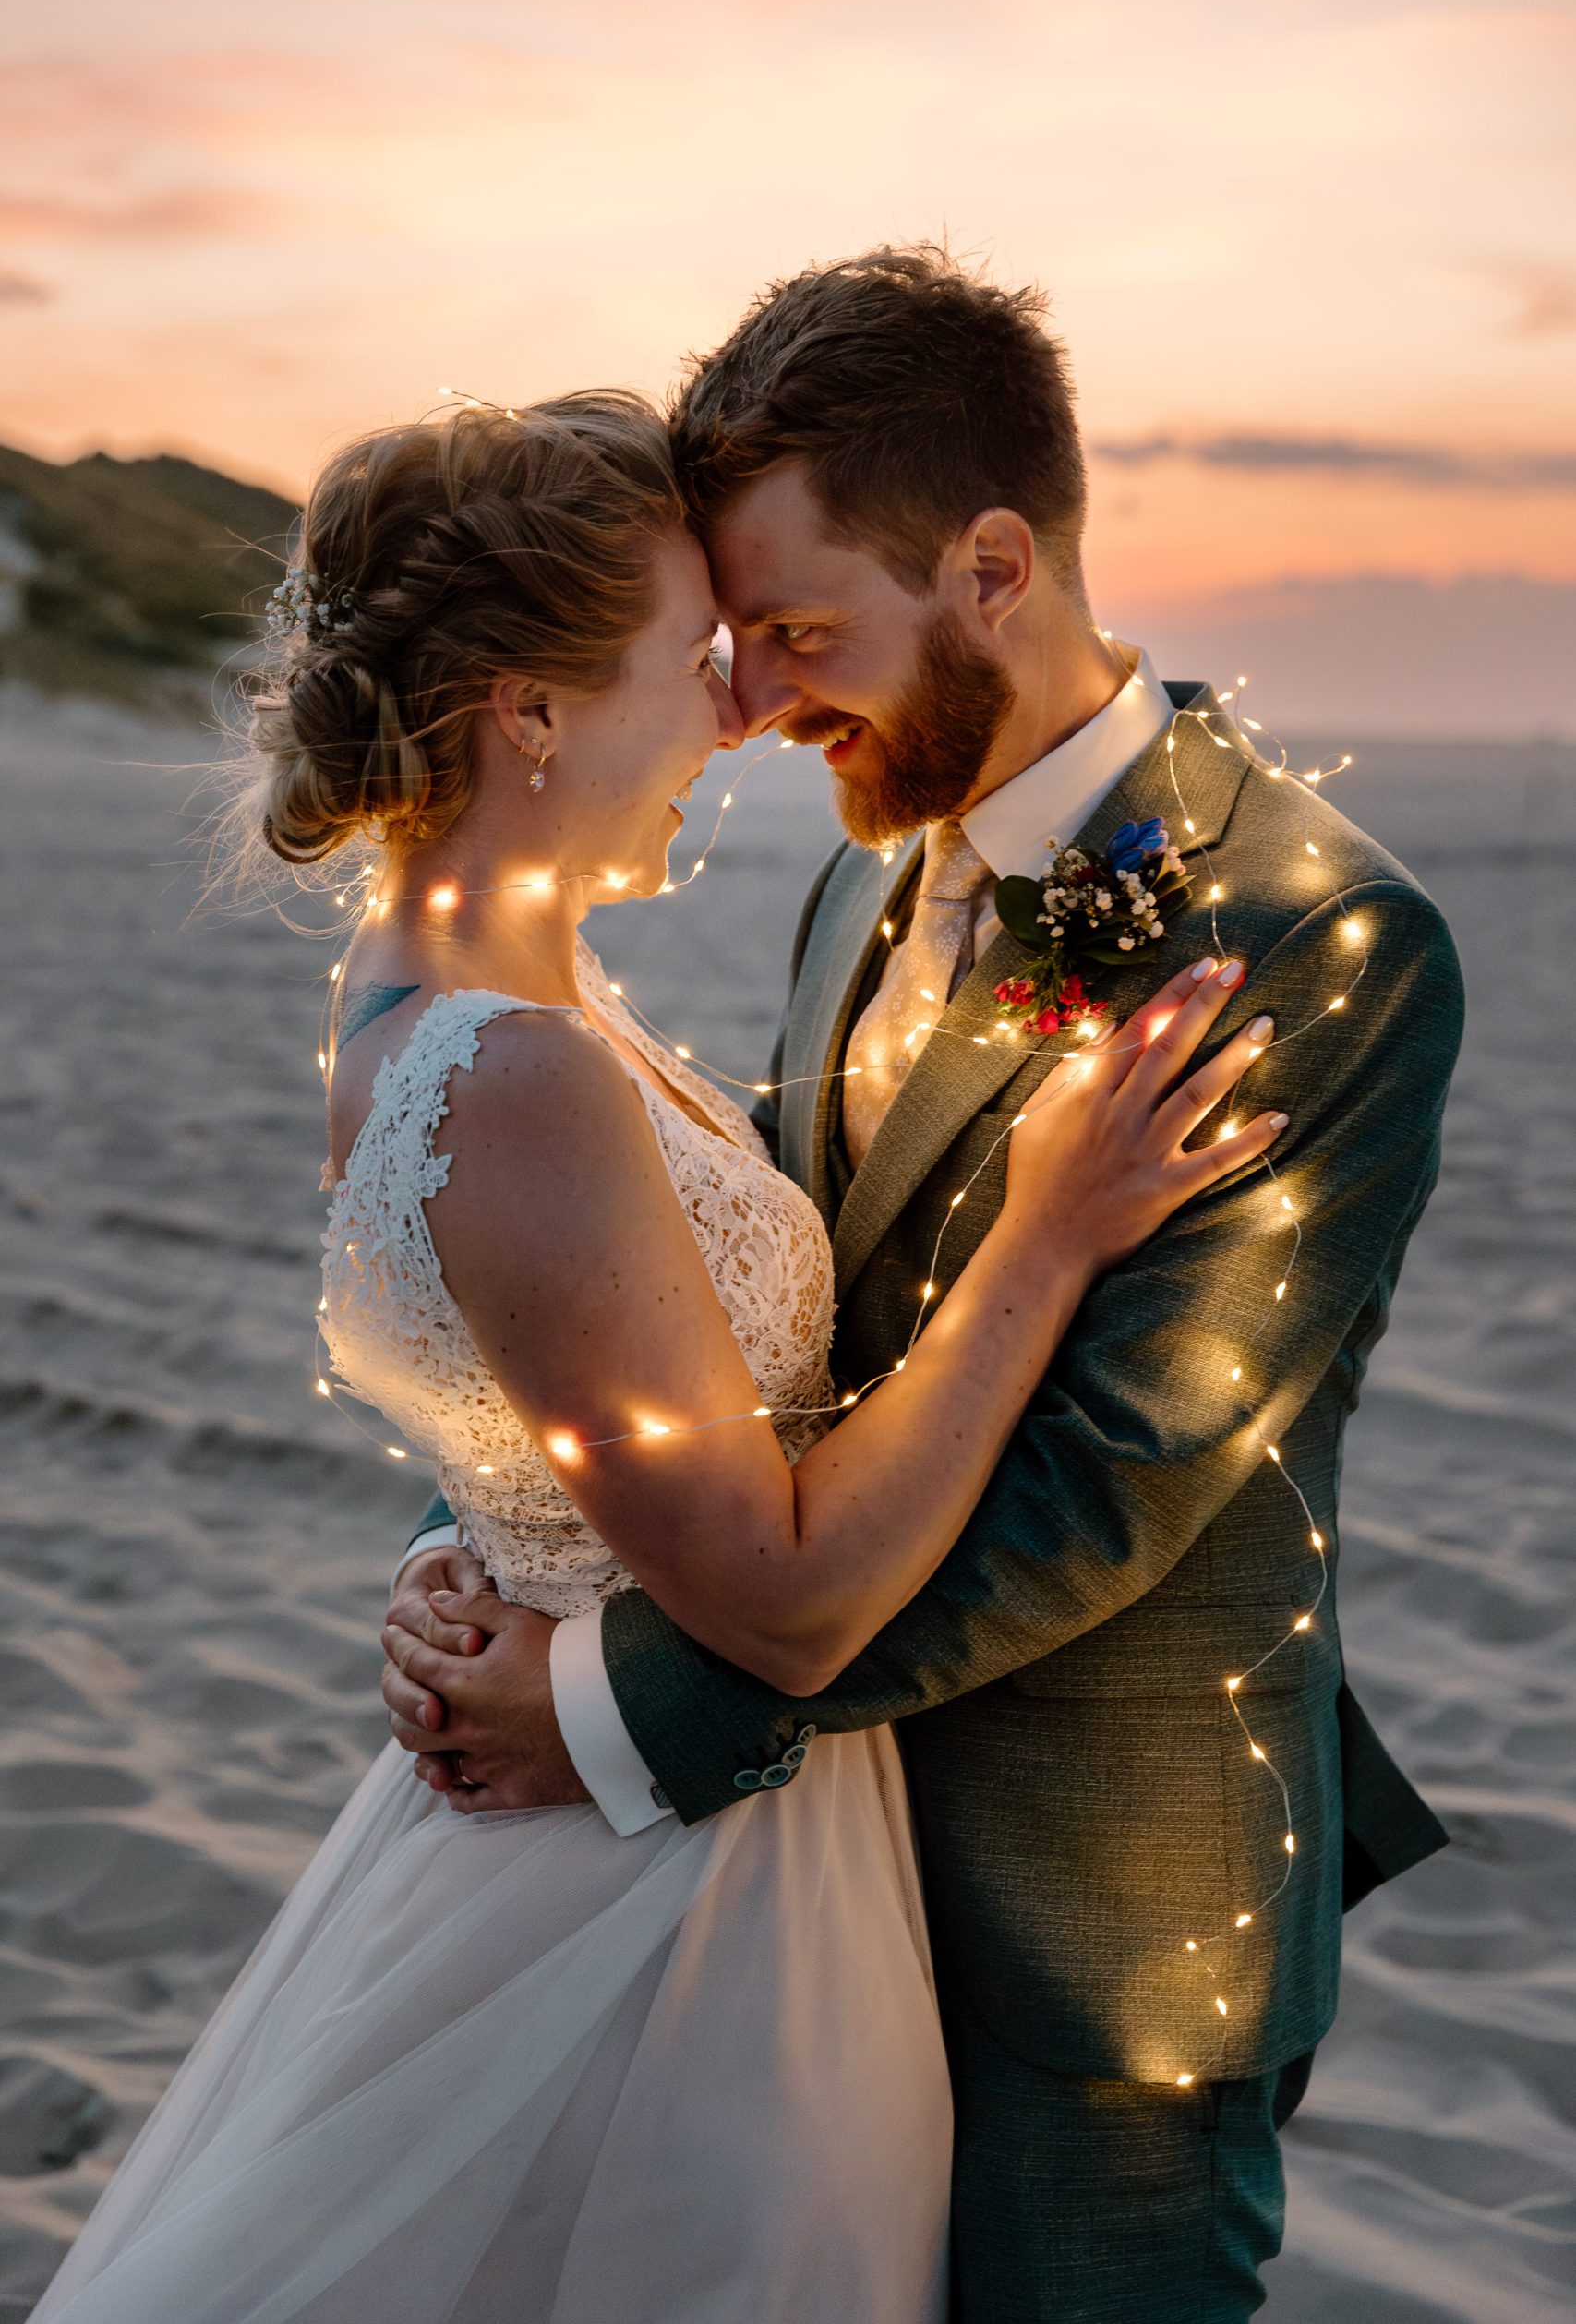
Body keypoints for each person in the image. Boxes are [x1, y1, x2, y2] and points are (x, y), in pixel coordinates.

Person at [31, 387, 1277, 2324]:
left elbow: (529, 1389)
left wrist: (484, 1549)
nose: (729, 716)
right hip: (672, 1894)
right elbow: (777, 1595)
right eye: (682, 665)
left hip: (613, 1788)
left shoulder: (465, 986)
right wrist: (1044, 1230)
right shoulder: (511, 1065)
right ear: (523, 707)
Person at [385, 250, 1465, 2321]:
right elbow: (738, 1320)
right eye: (740, 638)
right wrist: (492, 1547)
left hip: (1088, 1925)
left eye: (799, 632)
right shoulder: (865, 867)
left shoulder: (1317, 937)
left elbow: (1106, 1486)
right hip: (797, 1903)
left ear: (990, 562)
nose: (765, 703)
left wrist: (608, 1707)